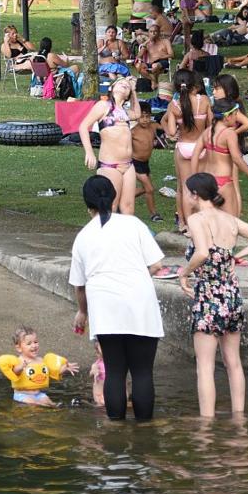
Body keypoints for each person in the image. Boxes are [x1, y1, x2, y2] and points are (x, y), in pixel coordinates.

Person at [70, 176, 166, 421]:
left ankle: (116, 431)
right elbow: (156, 265)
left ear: (86, 204)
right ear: (114, 197)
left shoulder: (83, 236)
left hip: (104, 307)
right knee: (143, 372)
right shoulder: (133, 224)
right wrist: (135, 278)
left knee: (114, 372)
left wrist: (82, 312)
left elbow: (80, 286)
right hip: (140, 302)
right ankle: (145, 431)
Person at [177, 173, 248, 417]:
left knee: (205, 366)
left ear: (195, 194)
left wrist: (184, 273)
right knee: (234, 363)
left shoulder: (197, 219)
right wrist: (238, 256)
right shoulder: (229, 219)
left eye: (187, 192)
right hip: (232, 294)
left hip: (209, 295)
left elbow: (202, 253)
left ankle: (206, 426)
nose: (186, 197)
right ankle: (239, 419)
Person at [78, 78, 141, 215]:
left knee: (128, 207)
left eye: (127, 86)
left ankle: (125, 236)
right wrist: (89, 152)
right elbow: (83, 126)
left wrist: (134, 90)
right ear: (111, 88)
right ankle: (103, 233)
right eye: (120, 82)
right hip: (110, 165)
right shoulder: (104, 106)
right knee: (110, 206)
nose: (124, 84)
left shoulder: (124, 112)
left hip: (128, 165)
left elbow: (137, 114)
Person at [162, 69, 212, 230]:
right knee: (201, 186)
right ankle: (202, 221)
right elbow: (211, 125)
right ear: (194, 84)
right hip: (201, 147)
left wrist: (174, 131)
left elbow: (170, 131)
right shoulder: (203, 100)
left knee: (184, 187)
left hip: (183, 147)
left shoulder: (174, 105)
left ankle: (185, 224)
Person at [202, 98, 248, 217]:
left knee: (213, 221)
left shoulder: (208, 131)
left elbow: (196, 154)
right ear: (227, 117)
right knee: (232, 221)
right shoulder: (229, 134)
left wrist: (195, 176)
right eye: (235, 115)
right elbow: (237, 159)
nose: (237, 119)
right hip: (223, 181)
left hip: (208, 179)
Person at [0, 326, 79, 407]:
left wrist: (64, 369)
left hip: (38, 394)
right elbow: (15, 373)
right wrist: (21, 367)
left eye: (35, 342)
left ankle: (59, 407)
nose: (34, 345)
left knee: (50, 403)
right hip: (22, 395)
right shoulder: (19, 361)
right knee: (34, 404)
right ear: (19, 348)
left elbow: (50, 374)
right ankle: (42, 406)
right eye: (29, 343)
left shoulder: (41, 360)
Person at [130, 106, 162, 222]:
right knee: (150, 189)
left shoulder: (153, 126)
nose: (145, 120)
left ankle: (122, 200)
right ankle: (154, 214)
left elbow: (166, 126)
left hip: (145, 163)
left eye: (147, 117)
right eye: (142, 117)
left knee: (146, 188)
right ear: (137, 118)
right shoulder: (133, 132)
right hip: (135, 163)